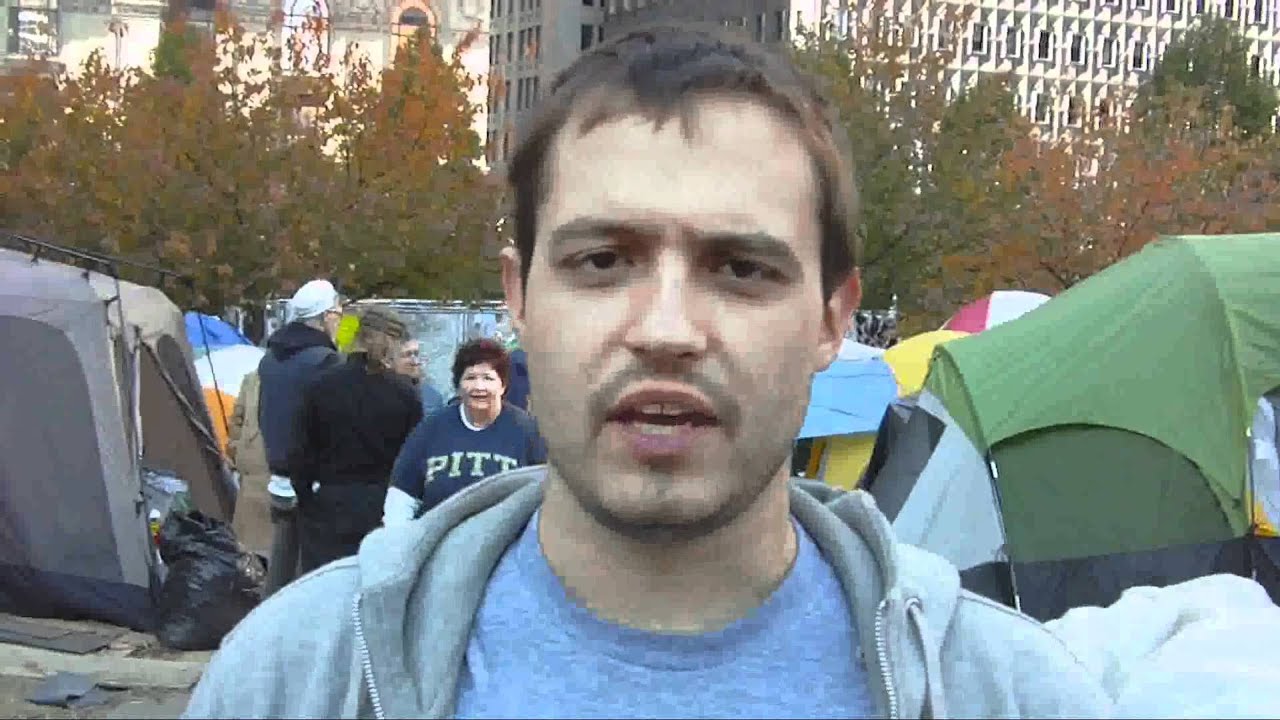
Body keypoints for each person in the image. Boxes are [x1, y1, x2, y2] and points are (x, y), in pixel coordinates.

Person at [183, 25, 1110, 719]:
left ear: (833, 316)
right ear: (520, 297)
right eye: (602, 262)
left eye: (741, 269)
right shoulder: (293, 680)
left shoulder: (1011, 696)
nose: (666, 330)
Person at [289, 306, 424, 574]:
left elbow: (300, 453)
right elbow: (414, 459)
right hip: (382, 505)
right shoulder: (404, 393)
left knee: (326, 591)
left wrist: (306, 498)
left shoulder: (320, 387)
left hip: (329, 505)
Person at [382, 339, 546, 526]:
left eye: (488, 378)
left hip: (506, 547)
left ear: (503, 386)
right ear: (458, 385)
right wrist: (400, 542)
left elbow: (546, 496)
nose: (479, 386)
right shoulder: (432, 428)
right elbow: (402, 496)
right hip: (440, 543)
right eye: (470, 378)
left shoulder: (527, 431)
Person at [255, 278, 343, 591]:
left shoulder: (270, 359)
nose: (339, 318)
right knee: (312, 574)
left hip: (277, 474)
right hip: (312, 480)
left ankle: (267, 628)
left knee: (280, 564)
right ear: (323, 317)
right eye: (336, 312)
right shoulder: (325, 362)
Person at [227, 369, 271, 558]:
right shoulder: (252, 379)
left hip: (260, 475)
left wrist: (238, 450)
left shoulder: (254, 378)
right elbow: (237, 421)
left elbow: (237, 421)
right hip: (256, 476)